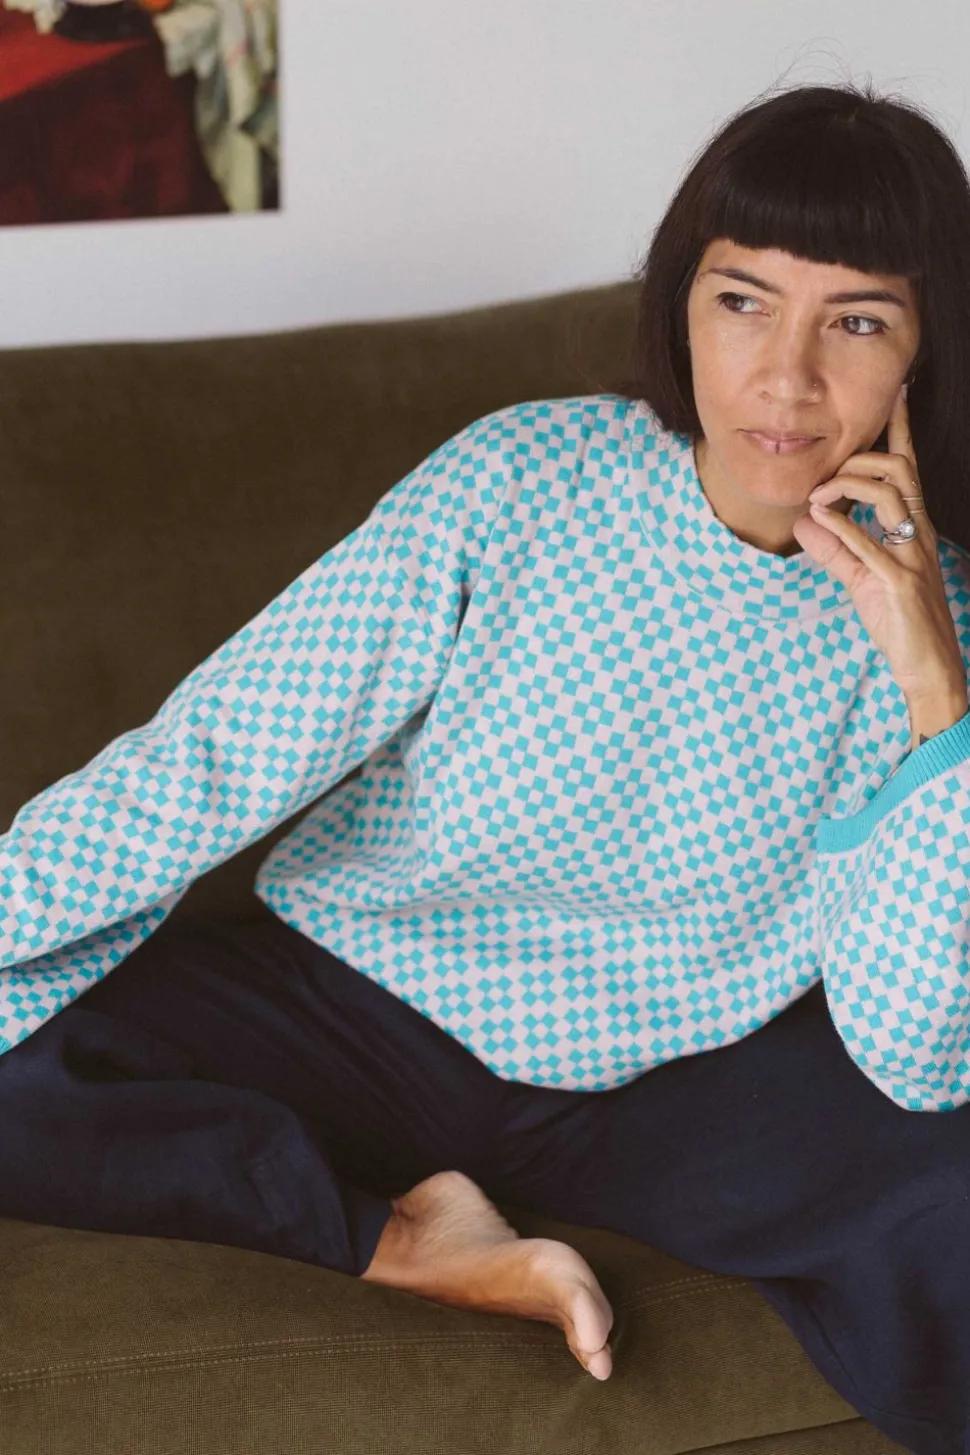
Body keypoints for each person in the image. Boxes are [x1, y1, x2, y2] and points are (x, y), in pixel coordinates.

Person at [3, 77, 970, 1453]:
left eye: (857, 321)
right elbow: (208, 760)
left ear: (927, 351)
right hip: (356, 1005)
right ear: (679, 310)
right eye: (742, 300)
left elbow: (917, 1056)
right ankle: (402, 1237)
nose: (785, 376)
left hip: (676, 1073)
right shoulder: (519, 480)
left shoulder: (940, 626)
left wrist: (936, 690)